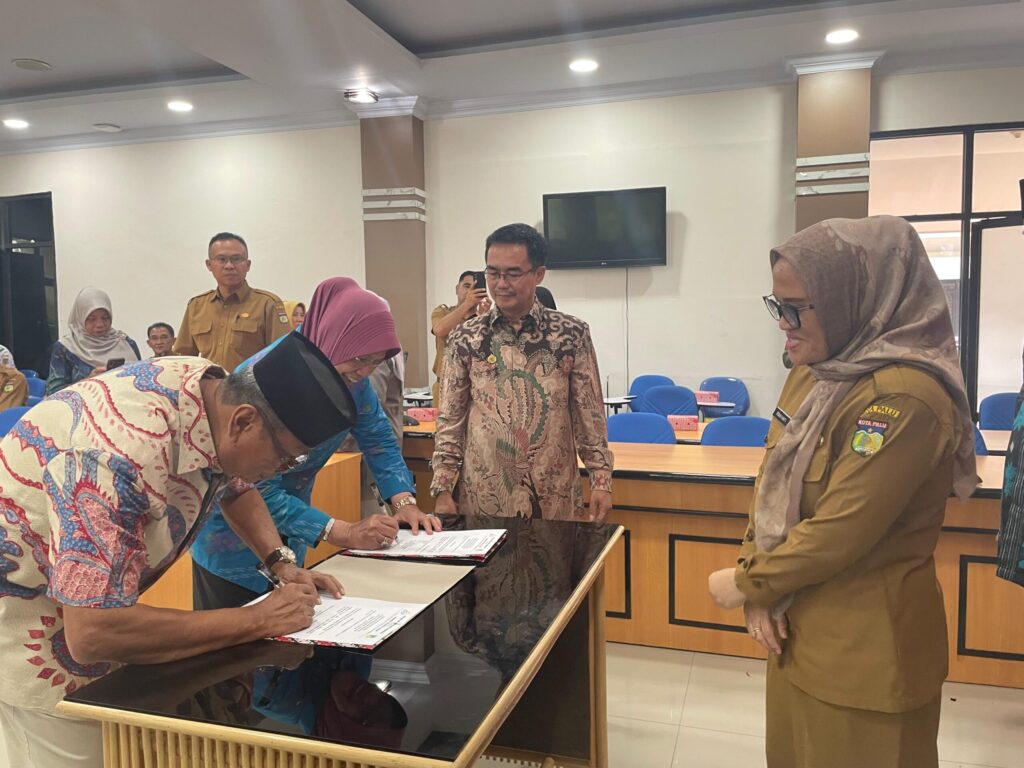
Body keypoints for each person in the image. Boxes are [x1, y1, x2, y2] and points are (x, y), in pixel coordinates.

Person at [0, 332, 360, 767]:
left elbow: (234, 482)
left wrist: (280, 562)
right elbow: (94, 631)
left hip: (89, 608)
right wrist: (259, 619)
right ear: (244, 422)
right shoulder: (113, 460)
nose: (281, 471)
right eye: (287, 458)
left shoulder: (209, 390)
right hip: (32, 635)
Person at [706, 216, 978, 768]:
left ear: (855, 299)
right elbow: (770, 481)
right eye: (776, 305)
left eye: (797, 308)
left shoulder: (906, 398)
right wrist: (759, 584)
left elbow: (841, 529)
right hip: (793, 633)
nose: (783, 325)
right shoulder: (815, 372)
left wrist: (746, 583)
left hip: (866, 658)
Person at [192, 277, 441, 610]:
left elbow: (377, 436)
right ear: (333, 337)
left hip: (293, 525)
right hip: (234, 540)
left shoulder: (348, 375)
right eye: (360, 360)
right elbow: (252, 485)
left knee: (293, 623)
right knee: (235, 633)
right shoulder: (268, 379)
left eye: (375, 362)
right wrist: (342, 532)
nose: (364, 372)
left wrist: (404, 501)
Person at [430, 223, 614, 522]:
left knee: (556, 554)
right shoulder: (466, 337)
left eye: (513, 273)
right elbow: (451, 417)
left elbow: (589, 413)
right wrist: (442, 488)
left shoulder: (570, 334)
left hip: (552, 494)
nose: (501, 283)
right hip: (484, 495)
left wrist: (601, 479)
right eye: (493, 273)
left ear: (538, 274)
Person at [173, 232, 291, 371]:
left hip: (251, 385)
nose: (229, 265)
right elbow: (182, 359)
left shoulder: (267, 304)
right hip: (207, 384)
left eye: (236, 259)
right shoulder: (196, 306)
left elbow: (284, 356)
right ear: (209, 265)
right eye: (222, 259)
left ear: (248, 265)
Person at [45, 287, 141, 395]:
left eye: (105, 318)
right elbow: (53, 391)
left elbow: (142, 380)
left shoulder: (126, 343)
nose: (100, 324)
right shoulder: (66, 348)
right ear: (80, 317)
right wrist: (88, 382)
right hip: (83, 405)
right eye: (91, 319)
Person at [430, 270, 490, 403]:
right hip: (444, 386)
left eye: (475, 288)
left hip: (475, 388)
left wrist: (483, 319)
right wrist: (467, 304)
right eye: (466, 286)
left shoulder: (485, 317)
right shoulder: (443, 311)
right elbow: (440, 330)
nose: (470, 292)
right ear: (457, 289)